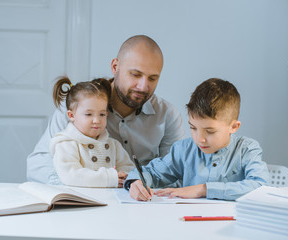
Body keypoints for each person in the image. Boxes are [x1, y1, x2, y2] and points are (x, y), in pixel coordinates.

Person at [27, 35, 185, 185]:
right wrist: (77, 183)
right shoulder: (77, 106)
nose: (143, 86)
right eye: (135, 74)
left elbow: (177, 174)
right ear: (115, 67)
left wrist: (139, 186)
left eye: (152, 78)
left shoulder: (168, 115)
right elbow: (37, 166)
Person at [125, 78, 270, 201]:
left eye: (210, 131)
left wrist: (204, 189)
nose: (199, 139)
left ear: (233, 127)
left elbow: (261, 186)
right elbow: (151, 173)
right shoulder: (183, 150)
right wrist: (136, 182)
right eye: (193, 128)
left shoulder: (247, 149)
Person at [50, 77, 134, 188]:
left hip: (112, 201)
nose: (97, 120)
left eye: (102, 114)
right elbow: (71, 175)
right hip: (79, 200)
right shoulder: (66, 144)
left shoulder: (113, 145)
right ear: (71, 115)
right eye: (89, 114)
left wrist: (125, 177)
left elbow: (128, 168)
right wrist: (109, 178)